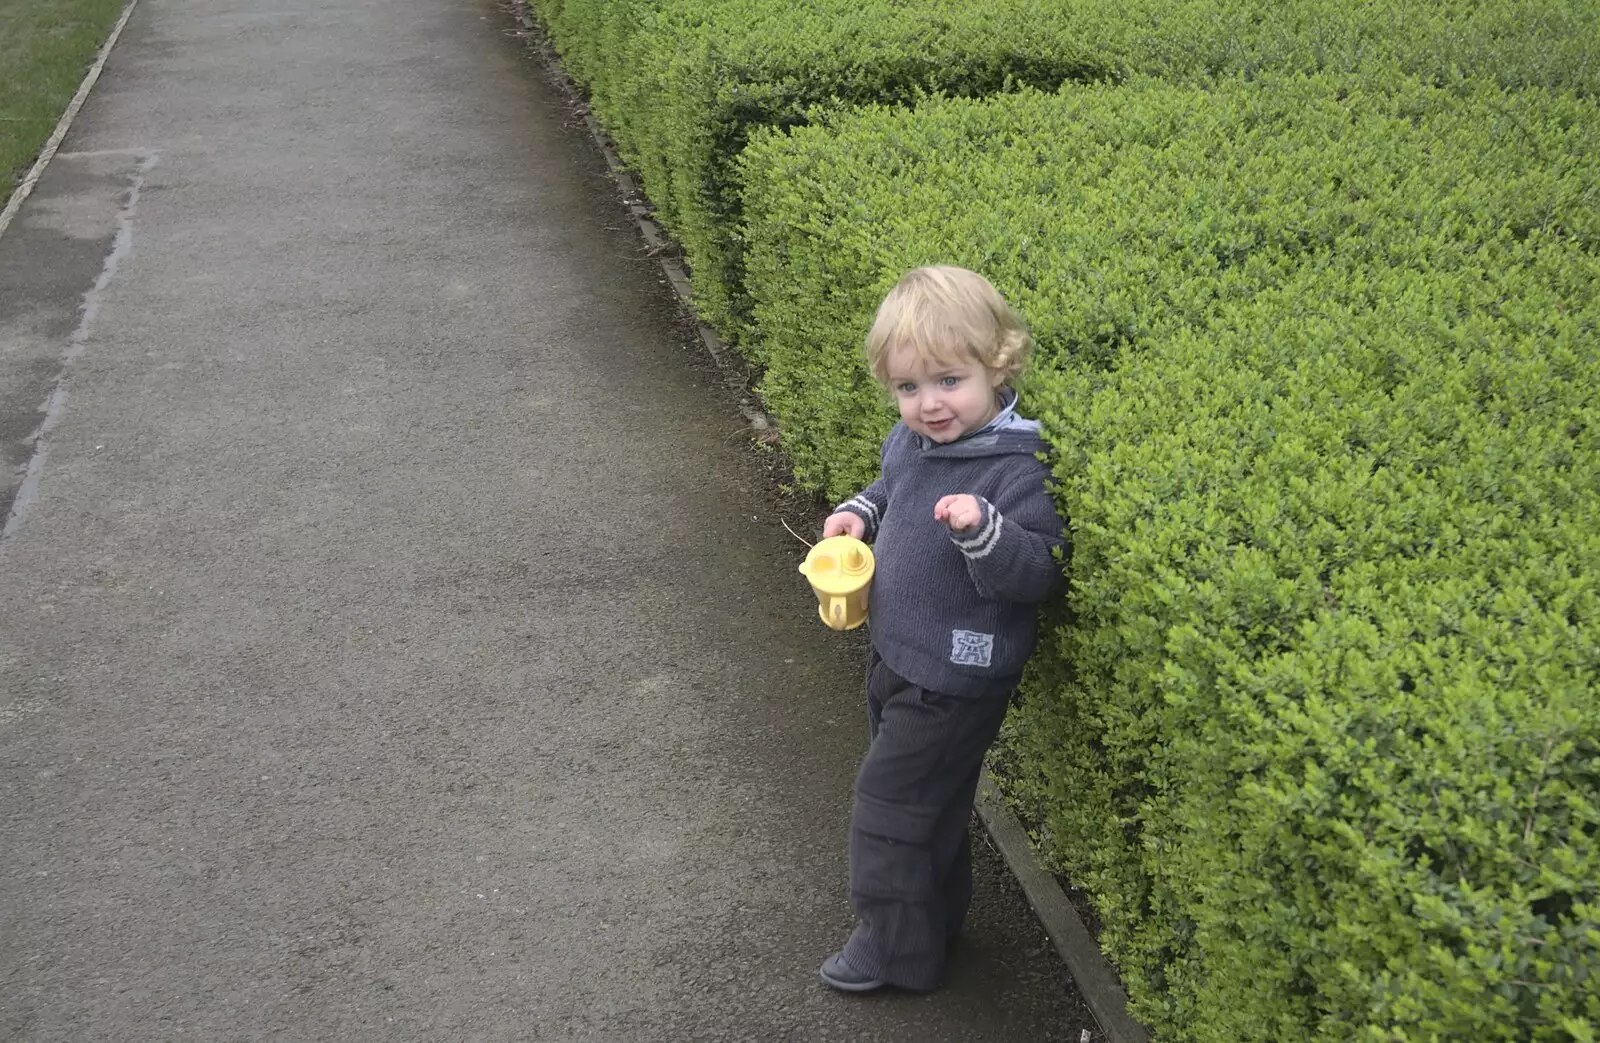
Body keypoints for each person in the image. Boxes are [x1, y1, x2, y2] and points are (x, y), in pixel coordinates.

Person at [817, 265, 1068, 993]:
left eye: (949, 381)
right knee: (928, 804)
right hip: (897, 653)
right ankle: (932, 919)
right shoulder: (918, 441)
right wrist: (859, 513)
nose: (928, 405)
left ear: (998, 366)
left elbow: (1037, 572)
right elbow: (891, 485)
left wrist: (983, 528)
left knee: (889, 811)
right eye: (908, 388)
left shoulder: (1016, 467)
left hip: (954, 677)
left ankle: (895, 952)